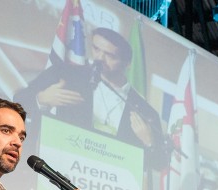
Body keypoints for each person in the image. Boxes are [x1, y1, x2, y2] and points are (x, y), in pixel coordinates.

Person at [14, 27, 170, 172]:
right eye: (96, 49)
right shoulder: (66, 75)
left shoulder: (144, 111)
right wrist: (41, 99)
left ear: (127, 63)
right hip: (61, 172)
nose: (100, 58)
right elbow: (18, 102)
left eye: (110, 55)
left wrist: (150, 144)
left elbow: (159, 165)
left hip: (109, 187)